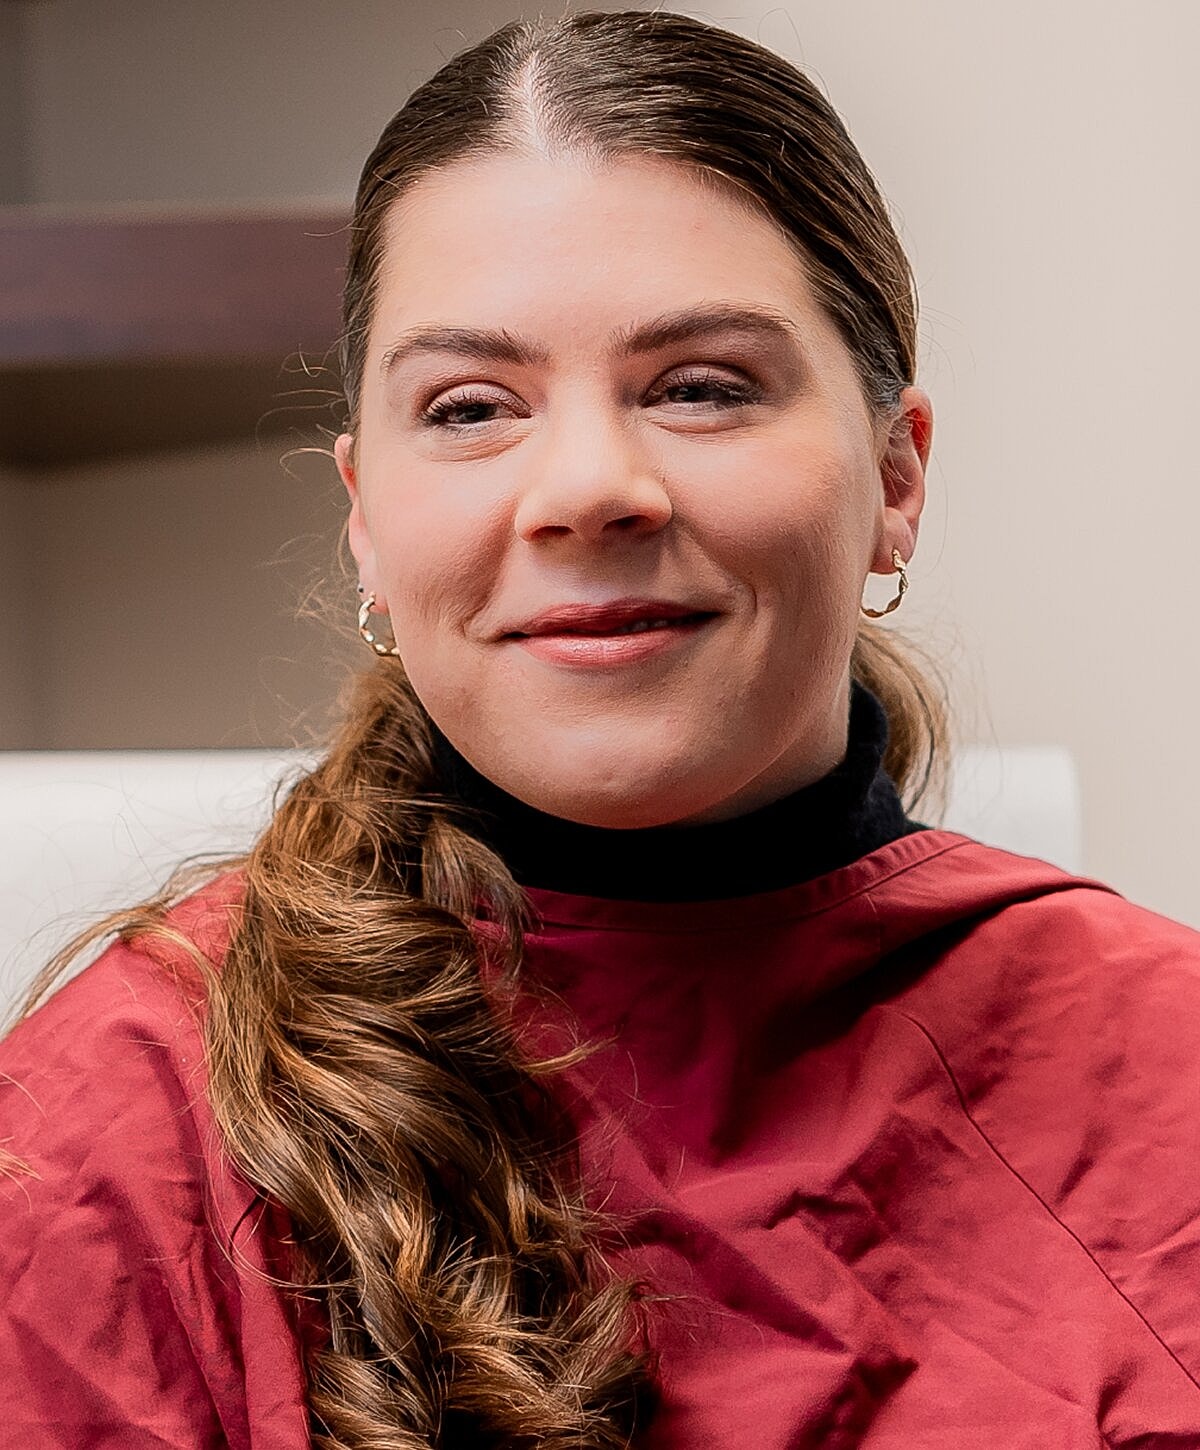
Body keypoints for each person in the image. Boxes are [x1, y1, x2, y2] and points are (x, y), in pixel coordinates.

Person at [2, 10, 1199, 1448]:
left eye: (699, 386)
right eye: (469, 405)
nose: (587, 485)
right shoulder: (109, 1137)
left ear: (895, 473)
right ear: (366, 518)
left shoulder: (1166, 1069)